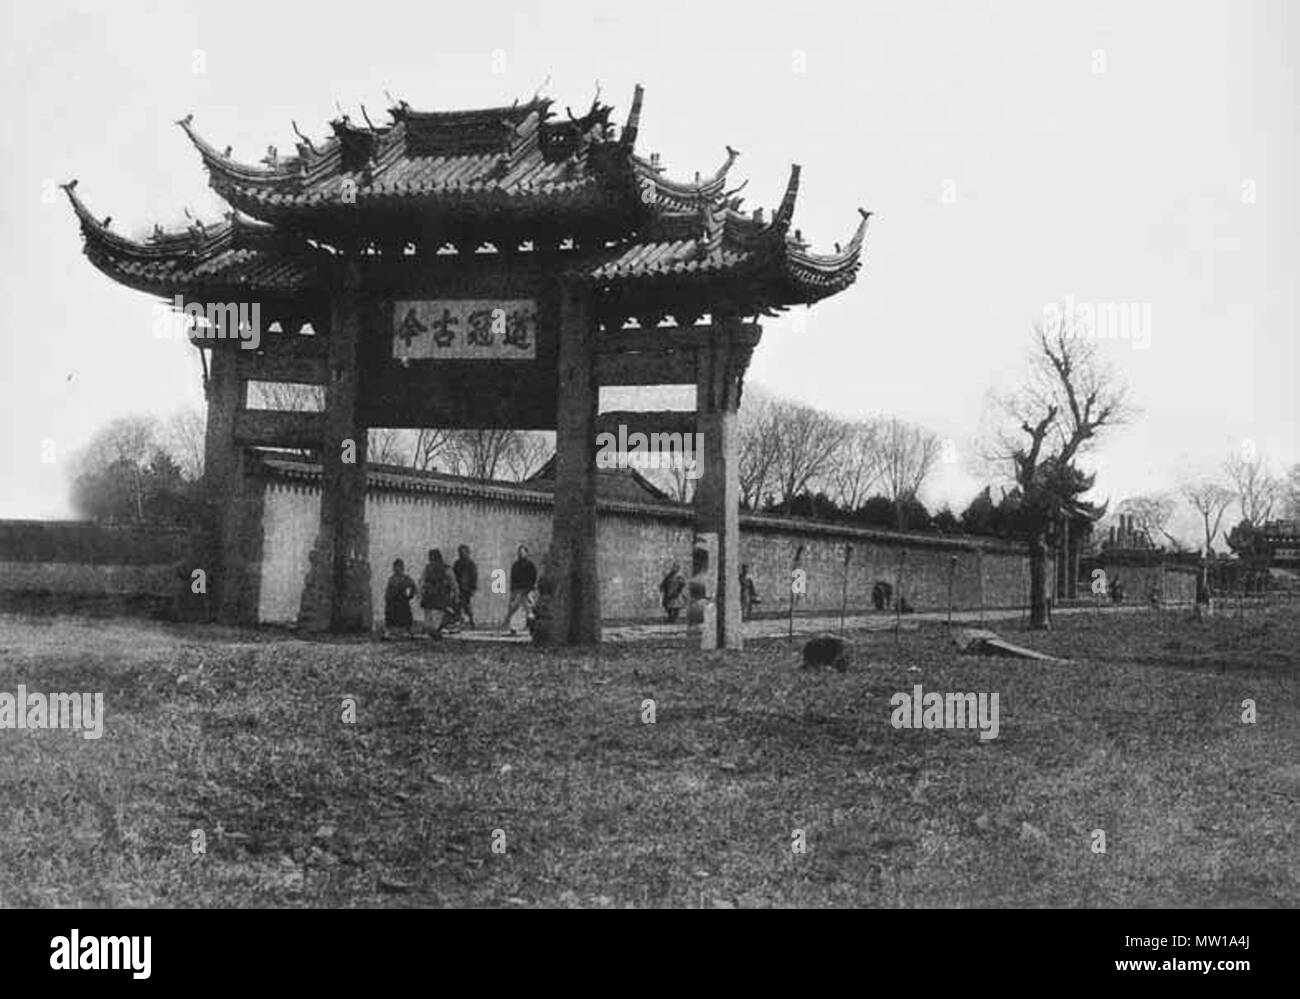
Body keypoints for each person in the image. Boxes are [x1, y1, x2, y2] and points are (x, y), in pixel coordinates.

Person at [419, 548, 457, 639]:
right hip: (431, 596)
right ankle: (434, 633)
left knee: (436, 617)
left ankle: (435, 632)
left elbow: (453, 582)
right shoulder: (428, 568)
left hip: (439, 596)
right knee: (430, 619)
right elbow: (422, 581)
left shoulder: (445, 568)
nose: (432, 560)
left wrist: (455, 593)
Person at [504, 544, 538, 635]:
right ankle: (513, 628)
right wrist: (513, 591)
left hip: (527, 590)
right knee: (514, 609)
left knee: (529, 610)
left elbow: (533, 578)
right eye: (519, 553)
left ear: (526, 553)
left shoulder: (530, 565)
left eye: (523, 553)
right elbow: (513, 578)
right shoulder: (515, 565)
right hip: (517, 590)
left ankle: (532, 628)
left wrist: (528, 589)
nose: (521, 554)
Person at [383, 558, 418, 639]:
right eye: (395, 567)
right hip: (393, 603)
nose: (396, 569)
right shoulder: (392, 579)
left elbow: (413, 588)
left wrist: (409, 596)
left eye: (398, 567)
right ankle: (394, 632)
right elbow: (388, 592)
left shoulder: (405, 578)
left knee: (403, 617)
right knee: (393, 617)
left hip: (401, 602)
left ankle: (403, 631)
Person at [453, 544, 478, 629]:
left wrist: (473, 588)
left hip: (466, 589)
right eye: (460, 552)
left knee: (466, 606)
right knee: (458, 606)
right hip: (459, 588)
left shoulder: (471, 564)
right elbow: (454, 576)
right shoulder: (457, 563)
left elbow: (474, 577)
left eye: (463, 552)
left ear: (467, 552)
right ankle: (461, 621)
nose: (461, 554)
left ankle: (471, 621)